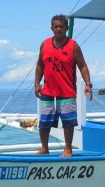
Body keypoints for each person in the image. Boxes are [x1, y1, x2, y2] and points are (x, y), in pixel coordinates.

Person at [34, 14, 92, 157]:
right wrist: (36, 84)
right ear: (52, 28)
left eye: (61, 26)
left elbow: (83, 66)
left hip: (67, 91)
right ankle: (44, 148)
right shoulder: (44, 44)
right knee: (44, 121)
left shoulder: (73, 46)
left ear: (66, 28)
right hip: (48, 91)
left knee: (68, 122)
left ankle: (67, 149)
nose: (59, 29)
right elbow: (40, 65)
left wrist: (88, 84)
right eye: (56, 26)